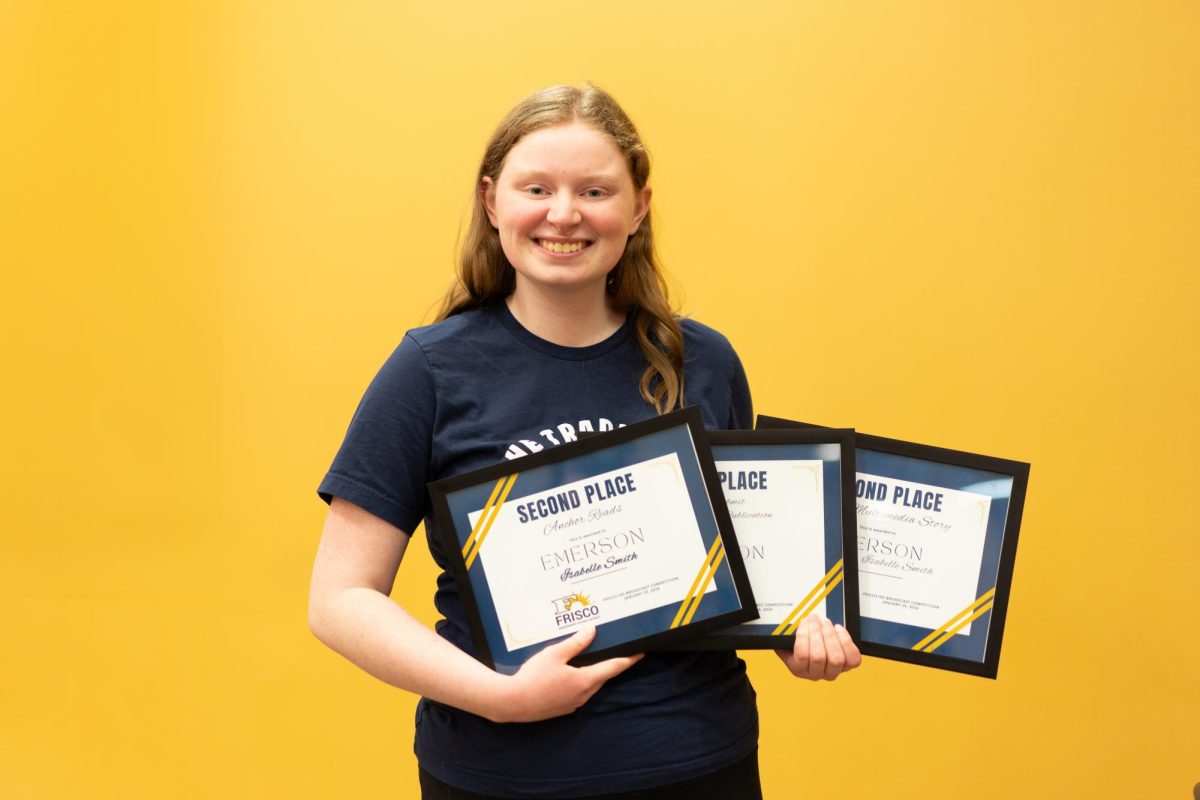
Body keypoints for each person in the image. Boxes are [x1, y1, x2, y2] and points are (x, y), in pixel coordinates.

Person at [309, 82, 861, 800]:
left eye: (595, 191)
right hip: (496, 773)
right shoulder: (429, 372)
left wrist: (799, 631)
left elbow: (741, 569)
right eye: (535, 187)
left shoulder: (707, 362)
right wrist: (494, 695)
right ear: (491, 201)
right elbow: (339, 598)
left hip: (697, 760)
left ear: (638, 208)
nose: (564, 214)